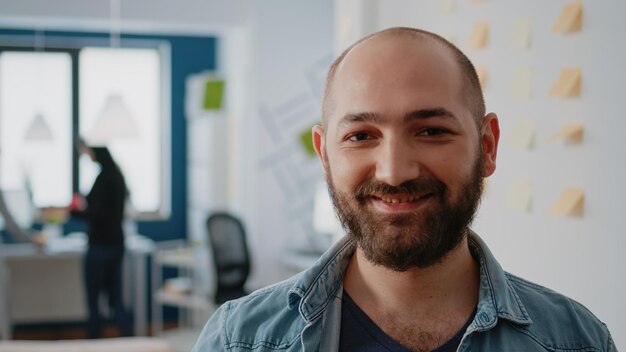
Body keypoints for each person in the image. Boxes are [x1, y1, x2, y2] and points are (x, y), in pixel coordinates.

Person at [192, 27, 616, 351]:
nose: (394, 172)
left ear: (487, 146)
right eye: (361, 135)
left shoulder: (575, 340)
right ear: (324, 155)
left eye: (431, 130)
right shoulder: (239, 340)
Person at [74, 143, 132, 338]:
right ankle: (129, 341)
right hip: (116, 245)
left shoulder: (104, 179)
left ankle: (93, 341)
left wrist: (76, 211)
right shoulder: (117, 176)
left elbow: (98, 213)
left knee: (93, 300)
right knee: (115, 300)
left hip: (100, 247)